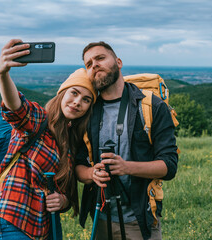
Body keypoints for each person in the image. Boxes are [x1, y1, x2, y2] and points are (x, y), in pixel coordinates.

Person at [0, 39, 97, 240]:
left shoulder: (73, 142)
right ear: (62, 93)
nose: (77, 102)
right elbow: (15, 106)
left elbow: (66, 191)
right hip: (13, 217)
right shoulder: (38, 119)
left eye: (86, 100)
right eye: (74, 93)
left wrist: (62, 201)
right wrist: (2, 74)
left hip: (44, 228)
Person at [75, 41, 178, 240]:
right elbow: (78, 164)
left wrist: (126, 167)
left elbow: (169, 166)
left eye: (100, 58)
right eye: (88, 64)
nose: (94, 65)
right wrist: (91, 173)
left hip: (138, 219)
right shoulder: (88, 112)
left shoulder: (151, 106)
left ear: (119, 62)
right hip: (101, 217)